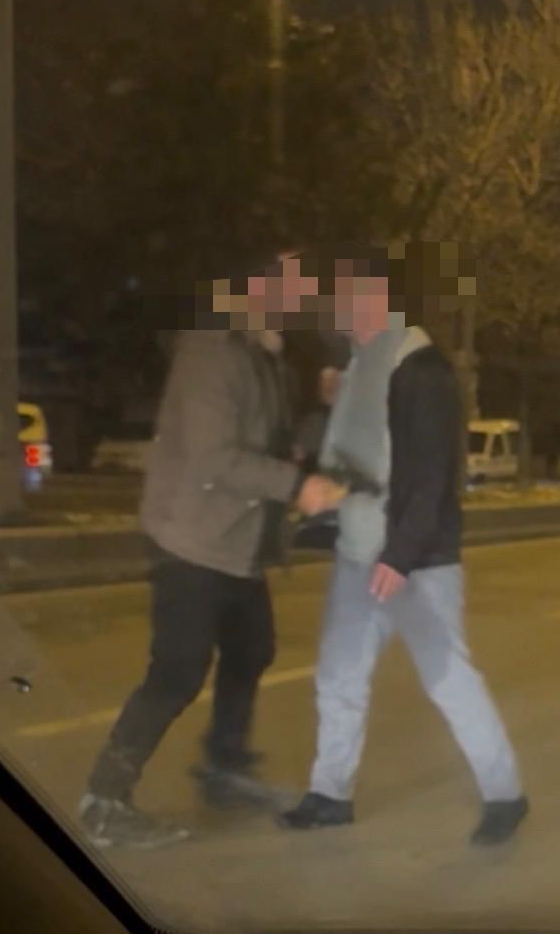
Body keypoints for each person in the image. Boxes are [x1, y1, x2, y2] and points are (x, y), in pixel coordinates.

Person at [80, 251, 344, 850]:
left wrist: (322, 411)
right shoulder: (212, 351)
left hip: (238, 542)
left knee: (253, 648)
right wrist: (296, 487)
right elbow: (212, 458)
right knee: (178, 669)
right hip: (191, 537)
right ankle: (104, 799)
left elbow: (279, 450)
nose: (302, 295)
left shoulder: (268, 359)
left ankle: (223, 765)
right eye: (291, 282)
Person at [280, 245, 528, 846]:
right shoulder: (360, 366)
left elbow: (432, 473)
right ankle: (330, 794)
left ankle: (505, 795)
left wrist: (401, 555)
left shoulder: (421, 368)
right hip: (358, 552)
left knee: (449, 680)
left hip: (414, 562)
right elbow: (354, 459)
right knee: (339, 676)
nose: (330, 308)